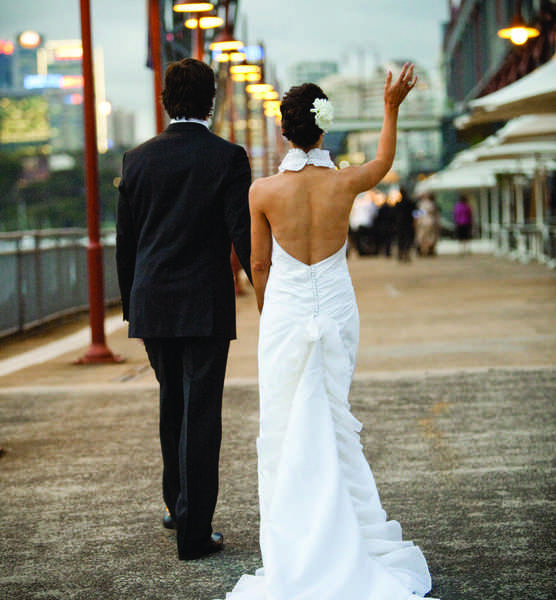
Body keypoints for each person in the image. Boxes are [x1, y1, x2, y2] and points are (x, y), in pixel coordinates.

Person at [222, 64, 438, 599]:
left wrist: (272, 316)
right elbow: (385, 162)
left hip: (288, 311)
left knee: (285, 419)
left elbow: (259, 264)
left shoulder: (262, 192)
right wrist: (391, 107)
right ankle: (351, 528)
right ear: (323, 130)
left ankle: (298, 535)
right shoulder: (344, 182)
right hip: (337, 305)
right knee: (333, 412)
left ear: (283, 132)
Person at [115, 58, 251, 561]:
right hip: (204, 305)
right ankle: (196, 533)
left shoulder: (137, 159)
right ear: (211, 101)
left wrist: (133, 307)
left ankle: (177, 506)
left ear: (165, 101)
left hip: (152, 305)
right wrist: (271, 293)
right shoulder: (228, 158)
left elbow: (125, 244)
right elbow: (243, 233)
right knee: (201, 414)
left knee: (172, 402)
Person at [395, 186, 416, 262]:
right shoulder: (410, 202)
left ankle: (401, 253)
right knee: (408, 239)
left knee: (401, 239)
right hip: (408, 223)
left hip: (400, 223)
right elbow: (415, 213)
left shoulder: (398, 204)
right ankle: (406, 253)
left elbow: (394, 214)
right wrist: (415, 221)